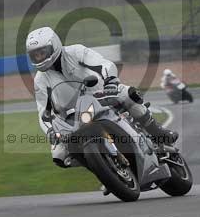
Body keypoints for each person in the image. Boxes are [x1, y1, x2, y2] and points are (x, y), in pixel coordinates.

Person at [27, 27, 178, 169]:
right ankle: (104, 168)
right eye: (35, 55)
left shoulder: (75, 51)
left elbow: (103, 63)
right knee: (59, 155)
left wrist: (110, 80)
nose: (40, 57)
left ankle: (159, 133)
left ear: (54, 45)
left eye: (42, 52)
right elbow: (42, 112)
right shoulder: (40, 79)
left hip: (99, 94)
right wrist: (50, 131)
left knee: (128, 94)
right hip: (72, 116)